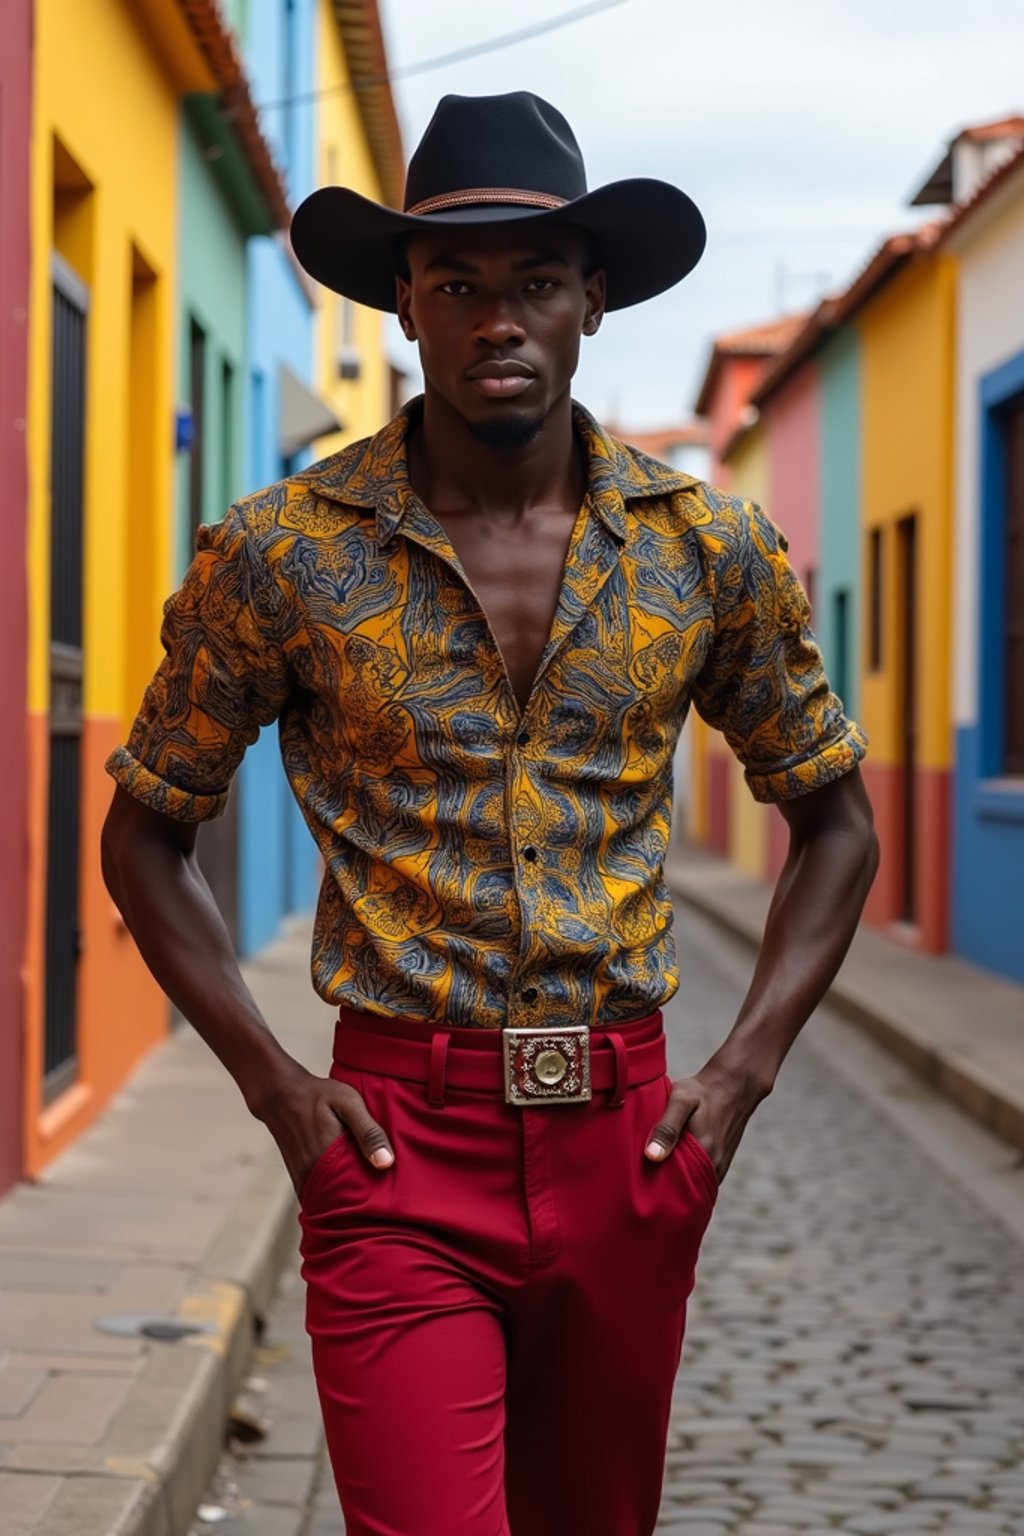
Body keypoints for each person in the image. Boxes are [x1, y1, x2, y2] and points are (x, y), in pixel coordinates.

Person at [102, 91, 878, 1536]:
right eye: (457, 284)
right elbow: (146, 828)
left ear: (594, 298)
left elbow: (835, 820)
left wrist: (742, 1075)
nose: (497, 319)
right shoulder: (284, 556)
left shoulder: (709, 549)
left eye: (534, 281)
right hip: (395, 1147)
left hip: (630, 1146)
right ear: (405, 303)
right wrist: (279, 1088)